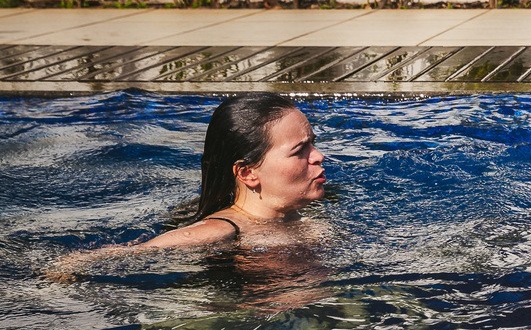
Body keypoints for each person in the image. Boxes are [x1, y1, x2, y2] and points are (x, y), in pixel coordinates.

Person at [49, 93, 326, 277]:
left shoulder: (299, 217)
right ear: (247, 173)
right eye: (299, 149)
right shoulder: (222, 230)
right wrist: (60, 272)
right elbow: (125, 255)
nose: (318, 155)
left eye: (312, 142)